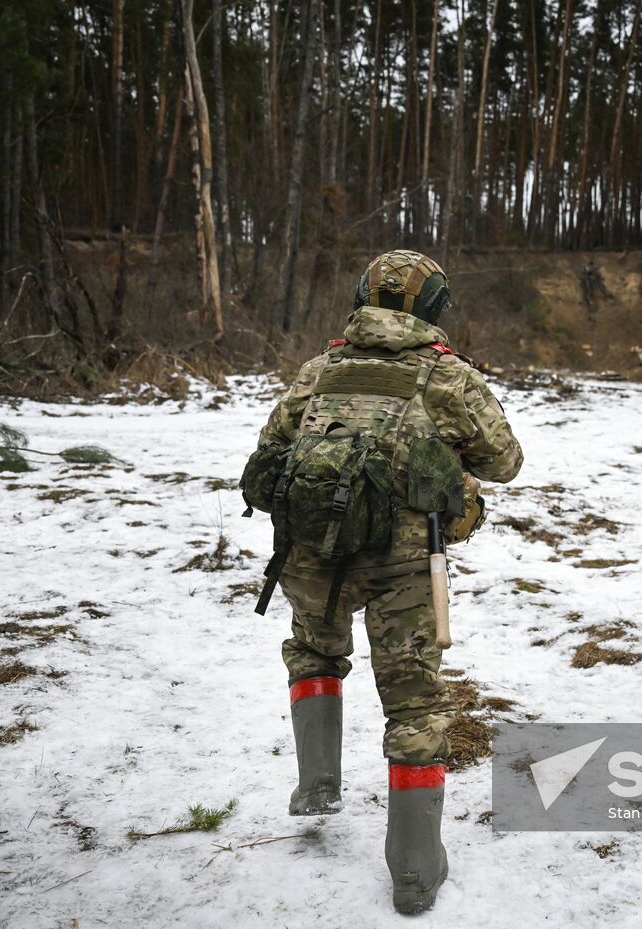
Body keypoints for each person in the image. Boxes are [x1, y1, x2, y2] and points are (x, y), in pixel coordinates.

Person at [247, 249, 523, 913]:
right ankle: (415, 870)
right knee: (415, 705)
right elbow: (505, 460)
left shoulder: (321, 368)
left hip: (314, 552)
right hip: (404, 562)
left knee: (314, 653)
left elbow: (270, 445)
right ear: (432, 308)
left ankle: (316, 781)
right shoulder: (446, 376)